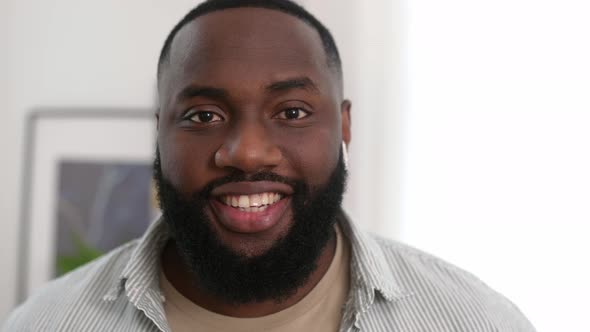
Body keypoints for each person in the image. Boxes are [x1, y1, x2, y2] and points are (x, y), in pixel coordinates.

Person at [2, 0, 536, 331]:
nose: (249, 151)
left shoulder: (478, 321)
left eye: (294, 112)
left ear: (344, 126)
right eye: (204, 114)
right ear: (159, 131)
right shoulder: (46, 324)